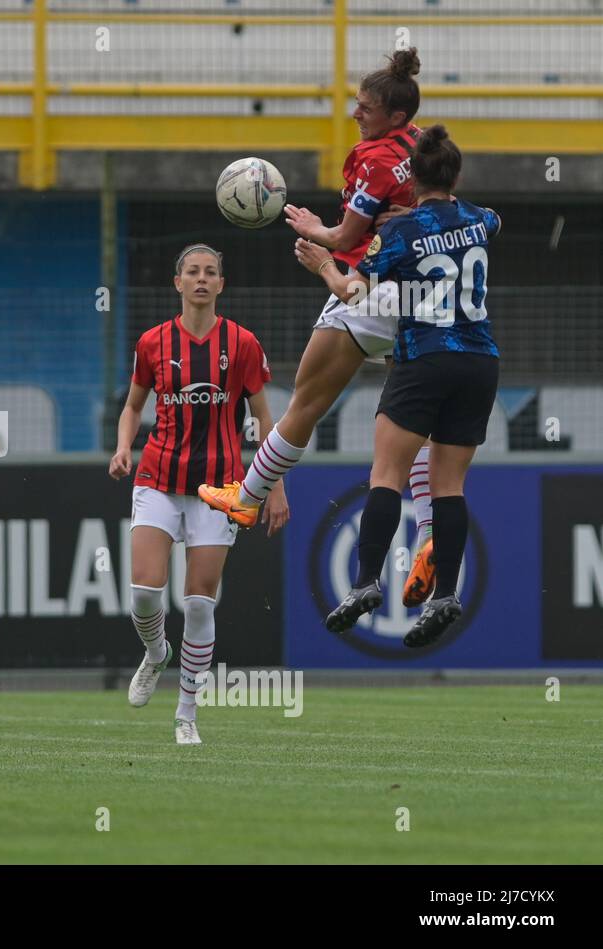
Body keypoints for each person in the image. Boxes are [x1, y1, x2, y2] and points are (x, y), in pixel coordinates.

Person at [200, 47, 438, 607]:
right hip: (426, 297)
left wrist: (316, 231)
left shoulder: (374, 157)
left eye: (365, 108)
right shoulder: (421, 142)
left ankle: (249, 495)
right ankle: (429, 533)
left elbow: (346, 234)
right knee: (414, 429)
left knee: (304, 403)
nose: (356, 114)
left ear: (393, 117)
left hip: (371, 290)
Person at [299, 126, 500, 647]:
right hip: (479, 362)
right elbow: (492, 222)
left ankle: (366, 583)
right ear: (456, 175)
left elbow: (352, 291)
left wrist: (323, 263)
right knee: (449, 487)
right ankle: (446, 594)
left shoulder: (400, 232)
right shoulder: (482, 220)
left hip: (425, 358)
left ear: (412, 182)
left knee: (386, 473)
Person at [110, 244, 289, 744]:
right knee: (145, 592)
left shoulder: (243, 344)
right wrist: (124, 446)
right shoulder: (152, 343)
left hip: (221, 488)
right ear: (178, 283)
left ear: (221, 284)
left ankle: (186, 714)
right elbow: (132, 406)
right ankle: (155, 653)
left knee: (199, 604)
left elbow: (265, 421)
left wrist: (273, 484)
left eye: (211, 271)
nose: (202, 279)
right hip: (157, 478)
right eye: (193, 272)